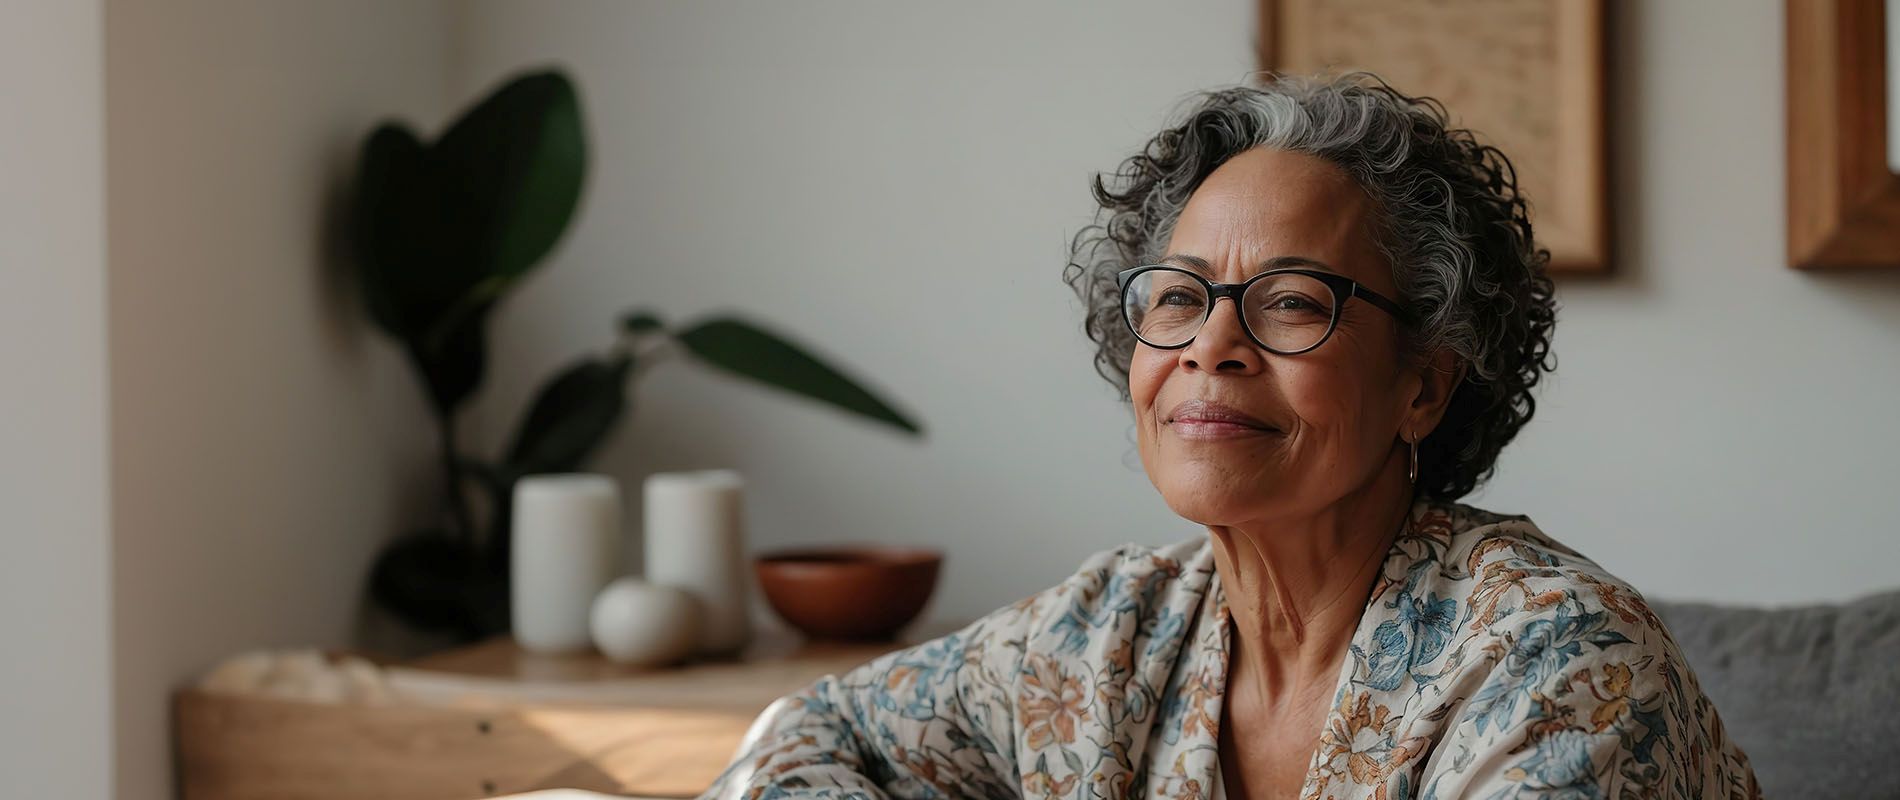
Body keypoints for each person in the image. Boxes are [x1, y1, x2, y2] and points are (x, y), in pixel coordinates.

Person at [700, 72, 1761, 799]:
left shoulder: (1558, 663)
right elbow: (797, 740)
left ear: (1423, 386)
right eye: (1178, 296)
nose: (1213, 344)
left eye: (1293, 301)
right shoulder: (1105, 635)